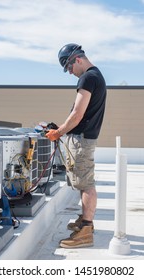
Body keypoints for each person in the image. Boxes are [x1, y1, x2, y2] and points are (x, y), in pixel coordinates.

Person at [46, 43, 107, 248]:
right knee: (83, 182)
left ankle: (86, 231)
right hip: (82, 137)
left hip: (81, 140)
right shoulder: (96, 76)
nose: (70, 72)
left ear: (77, 59)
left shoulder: (88, 77)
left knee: (86, 184)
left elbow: (77, 114)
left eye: (69, 68)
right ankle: (85, 221)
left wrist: (59, 132)